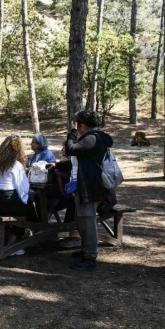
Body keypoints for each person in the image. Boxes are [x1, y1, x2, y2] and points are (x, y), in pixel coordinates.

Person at [64, 110, 113, 271]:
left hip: (90, 187)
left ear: (82, 125)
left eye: (77, 125)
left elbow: (71, 149)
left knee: (87, 221)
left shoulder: (92, 138)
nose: (76, 128)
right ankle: (86, 250)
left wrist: (71, 135)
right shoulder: (94, 138)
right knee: (82, 220)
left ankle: (90, 257)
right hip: (86, 184)